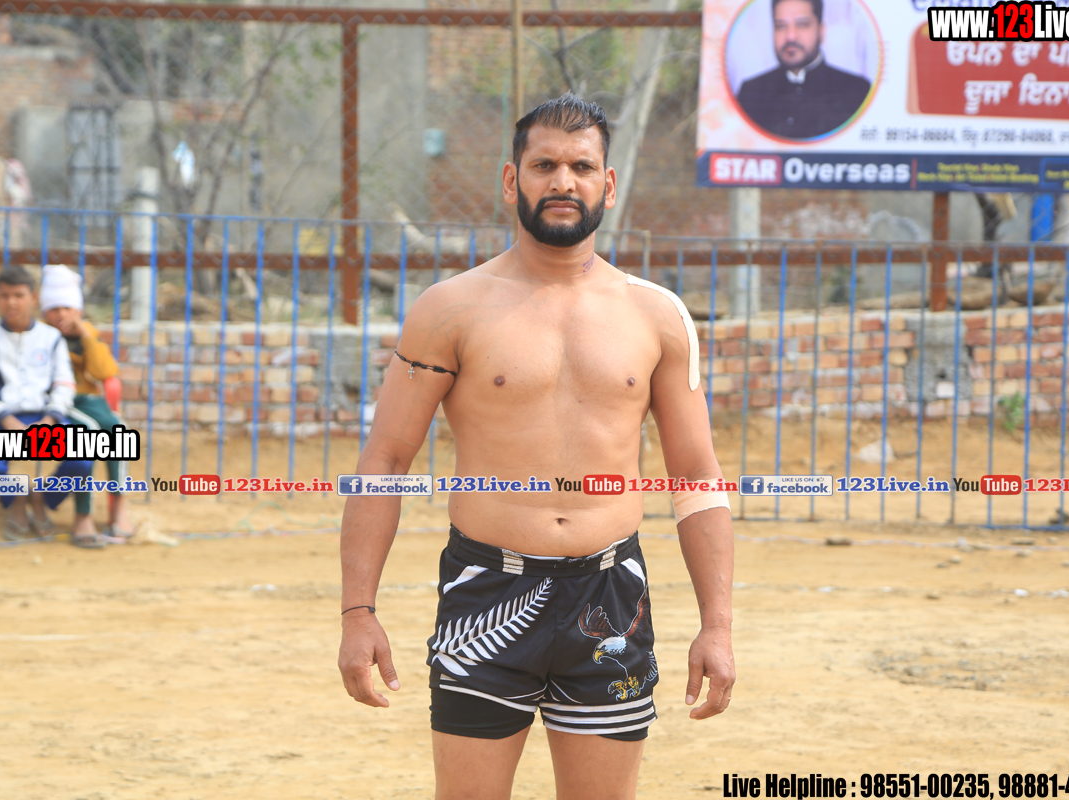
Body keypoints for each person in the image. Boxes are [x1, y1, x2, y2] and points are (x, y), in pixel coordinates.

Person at [337, 94, 736, 800]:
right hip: (486, 590)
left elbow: (696, 474)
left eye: (581, 167)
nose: (563, 181)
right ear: (510, 179)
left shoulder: (657, 316)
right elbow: (386, 461)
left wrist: (718, 626)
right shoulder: (449, 310)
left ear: (607, 184)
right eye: (544, 165)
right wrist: (357, 611)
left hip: (611, 596)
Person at [0, 266, 99, 547]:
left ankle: (41, 498)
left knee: (83, 457)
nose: (11, 302)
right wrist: (6, 419)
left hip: (46, 416)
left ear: (33, 298)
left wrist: (50, 419)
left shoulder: (51, 338)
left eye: (19, 295)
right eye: (4, 295)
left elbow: (64, 384)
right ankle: (16, 500)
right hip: (3, 418)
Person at [40, 264, 135, 541]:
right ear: (44, 312)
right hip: (58, 400)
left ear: (78, 310)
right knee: (89, 435)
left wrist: (86, 336)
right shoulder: (41, 336)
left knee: (117, 430)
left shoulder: (88, 334)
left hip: (87, 399)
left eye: (67, 308)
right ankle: (84, 514)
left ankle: (119, 506)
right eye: (54, 309)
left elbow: (105, 373)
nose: (61, 314)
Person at [736, 0, 871, 139]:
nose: (790, 36)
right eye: (781, 26)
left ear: (821, 31)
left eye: (802, 25)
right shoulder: (751, 92)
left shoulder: (856, 91)